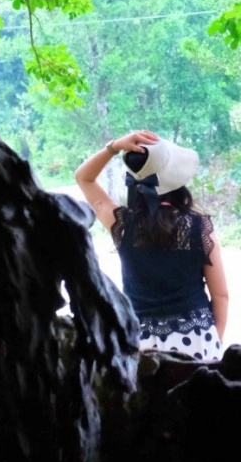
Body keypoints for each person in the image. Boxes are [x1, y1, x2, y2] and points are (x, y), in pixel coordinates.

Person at [75, 130, 228, 361]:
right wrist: (215, 338)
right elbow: (221, 295)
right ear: (178, 182)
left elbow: (83, 177)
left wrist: (114, 147)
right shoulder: (199, 228)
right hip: (196, 338)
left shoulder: (122, 224)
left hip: (138, 342)